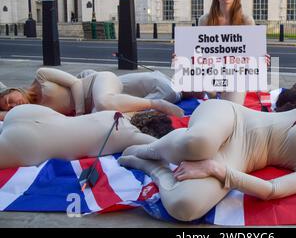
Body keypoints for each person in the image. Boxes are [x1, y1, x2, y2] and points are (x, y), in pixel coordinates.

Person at [118, 98, 296, 222]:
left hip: (238, 157)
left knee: (185, 206)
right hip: (233, 117)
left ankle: (152, 167)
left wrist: (218, 169)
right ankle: (148, 150)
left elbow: (272, 190)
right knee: (198, 143)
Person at [0, 104, 172, 170]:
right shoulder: (131, 135)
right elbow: (165, 147)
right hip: (31, 142)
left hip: (28, 112)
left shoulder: (115, 113)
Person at [0, 68, 184, 120]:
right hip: (92, 107)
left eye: (10, 100)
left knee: (104, 102)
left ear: (14, 90)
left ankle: (156, 104)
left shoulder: (41, 76)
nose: (13, 105)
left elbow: (75, 83)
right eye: (8, 108)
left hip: (97, 83)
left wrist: (80, 114)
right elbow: (6, 117)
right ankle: (150, 111)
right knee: (106, 119)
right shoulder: (33, 111)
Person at [185, 0, 257, 105]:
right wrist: (184, 56)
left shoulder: (247, 21)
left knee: (230, 109)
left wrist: (261, 59)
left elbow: (252, 56)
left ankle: (216, 96)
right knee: (198, 85)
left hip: (236, 75)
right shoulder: (204, 20)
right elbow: (198, 52)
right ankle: (211, 95)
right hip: (210, 72)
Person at [76, 69, 205, 103]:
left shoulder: (171, 91)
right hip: (94, 88)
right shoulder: (169, 85)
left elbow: (142, 105)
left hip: (95, 90)